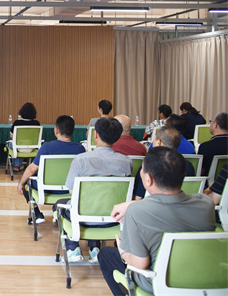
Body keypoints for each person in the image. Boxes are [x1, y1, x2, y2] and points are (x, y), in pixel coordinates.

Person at [98, 147, 215, 295]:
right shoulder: (206, 204)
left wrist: (123, 253)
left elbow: (140, 263)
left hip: (158, 282)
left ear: (148, 179)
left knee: (106, 255)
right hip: (202, 279)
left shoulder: (137, 211)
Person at [60, 117, 132, 263]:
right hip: (114, 219)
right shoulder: (126, 162)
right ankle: (95, 248)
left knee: (63, 207)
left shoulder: (81, 160)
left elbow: (72, 192)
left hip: (83, 218)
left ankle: (73, 248)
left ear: (96, 134)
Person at [17, 115, 85, 223]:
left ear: (56, 130)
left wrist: (21, 183)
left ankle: (37, 213)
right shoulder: (80, 149)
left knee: (26, 182)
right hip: (70, 190)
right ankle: (58, 211)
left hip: (47, 190)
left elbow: (31, 169)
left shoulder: (47, 147)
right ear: (72, 131)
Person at [134, 126, 194, 199]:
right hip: (182, 204)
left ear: (158, 142)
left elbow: (138, 198)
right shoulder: (188, 166)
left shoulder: (147, 166)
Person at [9, 102, 41, 172]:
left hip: (18, 147)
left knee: (11, 145)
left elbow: (11, 136)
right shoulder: (36, 123)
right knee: (18, 145)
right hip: (31, 147)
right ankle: (18, 165)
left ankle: (16, 165)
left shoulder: (17, 123)